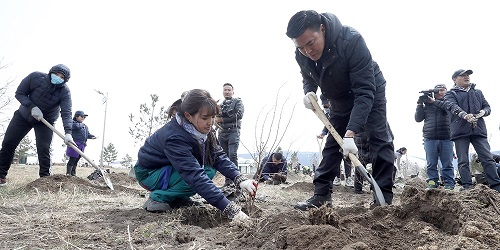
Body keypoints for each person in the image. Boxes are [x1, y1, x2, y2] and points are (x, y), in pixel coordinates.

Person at [287, 10, 395, 210]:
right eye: (300, 47)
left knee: (378, 137)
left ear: (322, 29)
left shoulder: (351, 41)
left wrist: (351, 132)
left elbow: (364, 91)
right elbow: (308, 76)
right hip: (338, 97)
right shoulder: (301, 54)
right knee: (332, 143)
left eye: (310, 43)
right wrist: (309, 92)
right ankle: (321, 196)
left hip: (368, 90)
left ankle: (383, 199)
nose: (307, 51)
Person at [133, 89, 256, 223]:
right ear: (188, 115)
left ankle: (178, 198)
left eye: (212, 117)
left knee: (209, 168)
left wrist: (240, 179)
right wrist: (229, 208)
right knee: (198, 176)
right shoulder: (174, 137)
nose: (210, 122)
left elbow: (217, 156)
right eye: (205, 118)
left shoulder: (202, 130)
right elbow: (194, 175)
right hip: (150, 173)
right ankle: (158, 197)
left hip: (170, 169)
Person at [0, 64, 74, 186]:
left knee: (44, 149)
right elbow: (20, 93)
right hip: (23, 115)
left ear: (65, 80)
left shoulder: (65, 92)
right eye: (56, 74)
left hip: (45, 121)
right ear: (51, 72)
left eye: (61, 77)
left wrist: (68, 132)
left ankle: (45, 181)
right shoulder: (35, 77)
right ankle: (1, 176)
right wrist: (32, 107)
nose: (58, 77)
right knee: (8, 143)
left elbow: (66, 112)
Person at [445, 69, 500, 192]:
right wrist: (464, 115)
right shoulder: (450, 94)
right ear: (454, 79)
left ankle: (496, 186)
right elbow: (452, 106)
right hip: (460, 131)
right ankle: (467, 187)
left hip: (478, 130)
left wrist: (483, 112)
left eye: (468, 75)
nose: (467, 77)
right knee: (463, 161)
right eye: (463, 75)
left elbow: (487, 107)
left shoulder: (478, 92)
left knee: (487, 158)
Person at [415, 84, 455, 190]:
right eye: (438, 90)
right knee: (431, 163)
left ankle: (449, 184)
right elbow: (418, 119)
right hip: (429, 137)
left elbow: (448, 109)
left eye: (443, 90)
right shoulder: (427, 106)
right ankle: (432, 182)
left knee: (447, 163)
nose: (440, 92)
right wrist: (419, 104)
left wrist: (433, 102)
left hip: (446, 137)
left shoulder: (449, 103)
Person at [317, 94, 353, 187]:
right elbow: (327, 124)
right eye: (325, 106)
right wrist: (323, 133)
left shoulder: (342, 107)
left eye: (327, 106)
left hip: (345, 136)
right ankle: (336, 177)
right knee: (334, 157)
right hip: (333, 137)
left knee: (347, 157)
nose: (326, 107)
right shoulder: (326, 113)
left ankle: (349, 178)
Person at [216, 83, 244, 187]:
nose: (227, 92)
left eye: (229, 90)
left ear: (233, 91)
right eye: (225, 90)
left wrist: (222, 119)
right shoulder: (220, 105)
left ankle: (236, 179)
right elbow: (215, 118)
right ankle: (228, 181)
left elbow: (239, 115)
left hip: (233, 131)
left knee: (233, 154)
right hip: (222, 132)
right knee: (224, 157)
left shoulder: (238, 102)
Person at [66, 110, 97, 176]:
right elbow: (76, 127)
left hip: (82, 145)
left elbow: (87, 134)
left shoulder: (85, 126)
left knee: (77, 159)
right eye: (82, 116)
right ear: (76, 117)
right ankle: (68, 174)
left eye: (84, 117)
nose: (83, 118)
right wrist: (82, 124)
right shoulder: (73, 123)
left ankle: (73, 173)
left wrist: (92, 136)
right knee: (72, 159)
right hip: (75, 144)